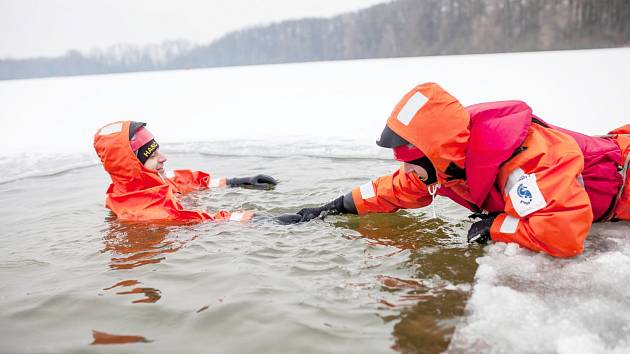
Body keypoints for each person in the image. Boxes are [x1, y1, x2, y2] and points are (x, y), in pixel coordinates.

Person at [290, 82, 630, 258]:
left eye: (410, 162)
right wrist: (331, 208)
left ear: (436, 155)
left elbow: (561, 236)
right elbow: (392, 189)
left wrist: (496, 226)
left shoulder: (529, 161)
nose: (406, 171)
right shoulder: (451, 161)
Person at [93, 120, 290, 223]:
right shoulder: (150, 212)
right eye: (152, 157)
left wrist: (236, 181)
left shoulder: (144, 182)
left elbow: (183, 180)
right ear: (133, 168)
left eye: (158, 150)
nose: (163, 158)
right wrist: (270, 220)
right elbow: (205, 220)